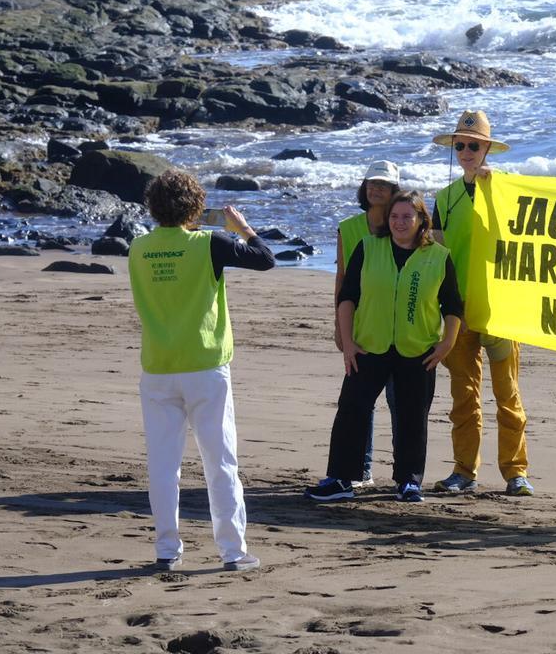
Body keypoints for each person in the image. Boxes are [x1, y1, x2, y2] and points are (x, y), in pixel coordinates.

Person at [127, 169, 275, 571]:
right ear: (194, 207)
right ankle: (232, 551)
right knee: (220, 461)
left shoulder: (138, 247)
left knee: (162, 464)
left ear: (153, 207)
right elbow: (265, 259)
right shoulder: (210, 242)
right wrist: (243, 228)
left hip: (159, 366)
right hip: (205, 365)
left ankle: (166, 550)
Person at [306, 191, 462, 502]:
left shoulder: (439, 256)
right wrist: (348, 343)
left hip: (417, 350)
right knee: (352, 409)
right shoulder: (368, 247)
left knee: (412, 416)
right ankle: (340, 480)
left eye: (407, 216)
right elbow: (348, 297)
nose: (400, 222)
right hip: (368, 346)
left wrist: (446, 345)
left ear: (421, 221)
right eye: (394, 216)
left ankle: (408, 482)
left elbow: (453, 307)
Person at [429, 110, 534, 497]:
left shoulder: (509, 192)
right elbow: (437, 254)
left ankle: (515, 472)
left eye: (474, 145)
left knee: (508, 394)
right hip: (458, 311)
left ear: (488, 148)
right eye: (460, 145)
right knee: (463, 394)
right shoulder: (444, 198)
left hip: (501, 309)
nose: (466, 151)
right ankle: (464, 471)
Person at [333, 160, 401, 487]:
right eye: (372, 183)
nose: (376, 189)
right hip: (360, 324)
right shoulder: (348, 227)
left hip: (399, 327)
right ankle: (362, 470)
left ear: (394, 192)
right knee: (362, 401)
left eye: (384, 185)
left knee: (398, 399)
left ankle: (404, 474)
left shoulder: (403, 225)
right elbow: (342, 278)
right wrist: (339, 328)